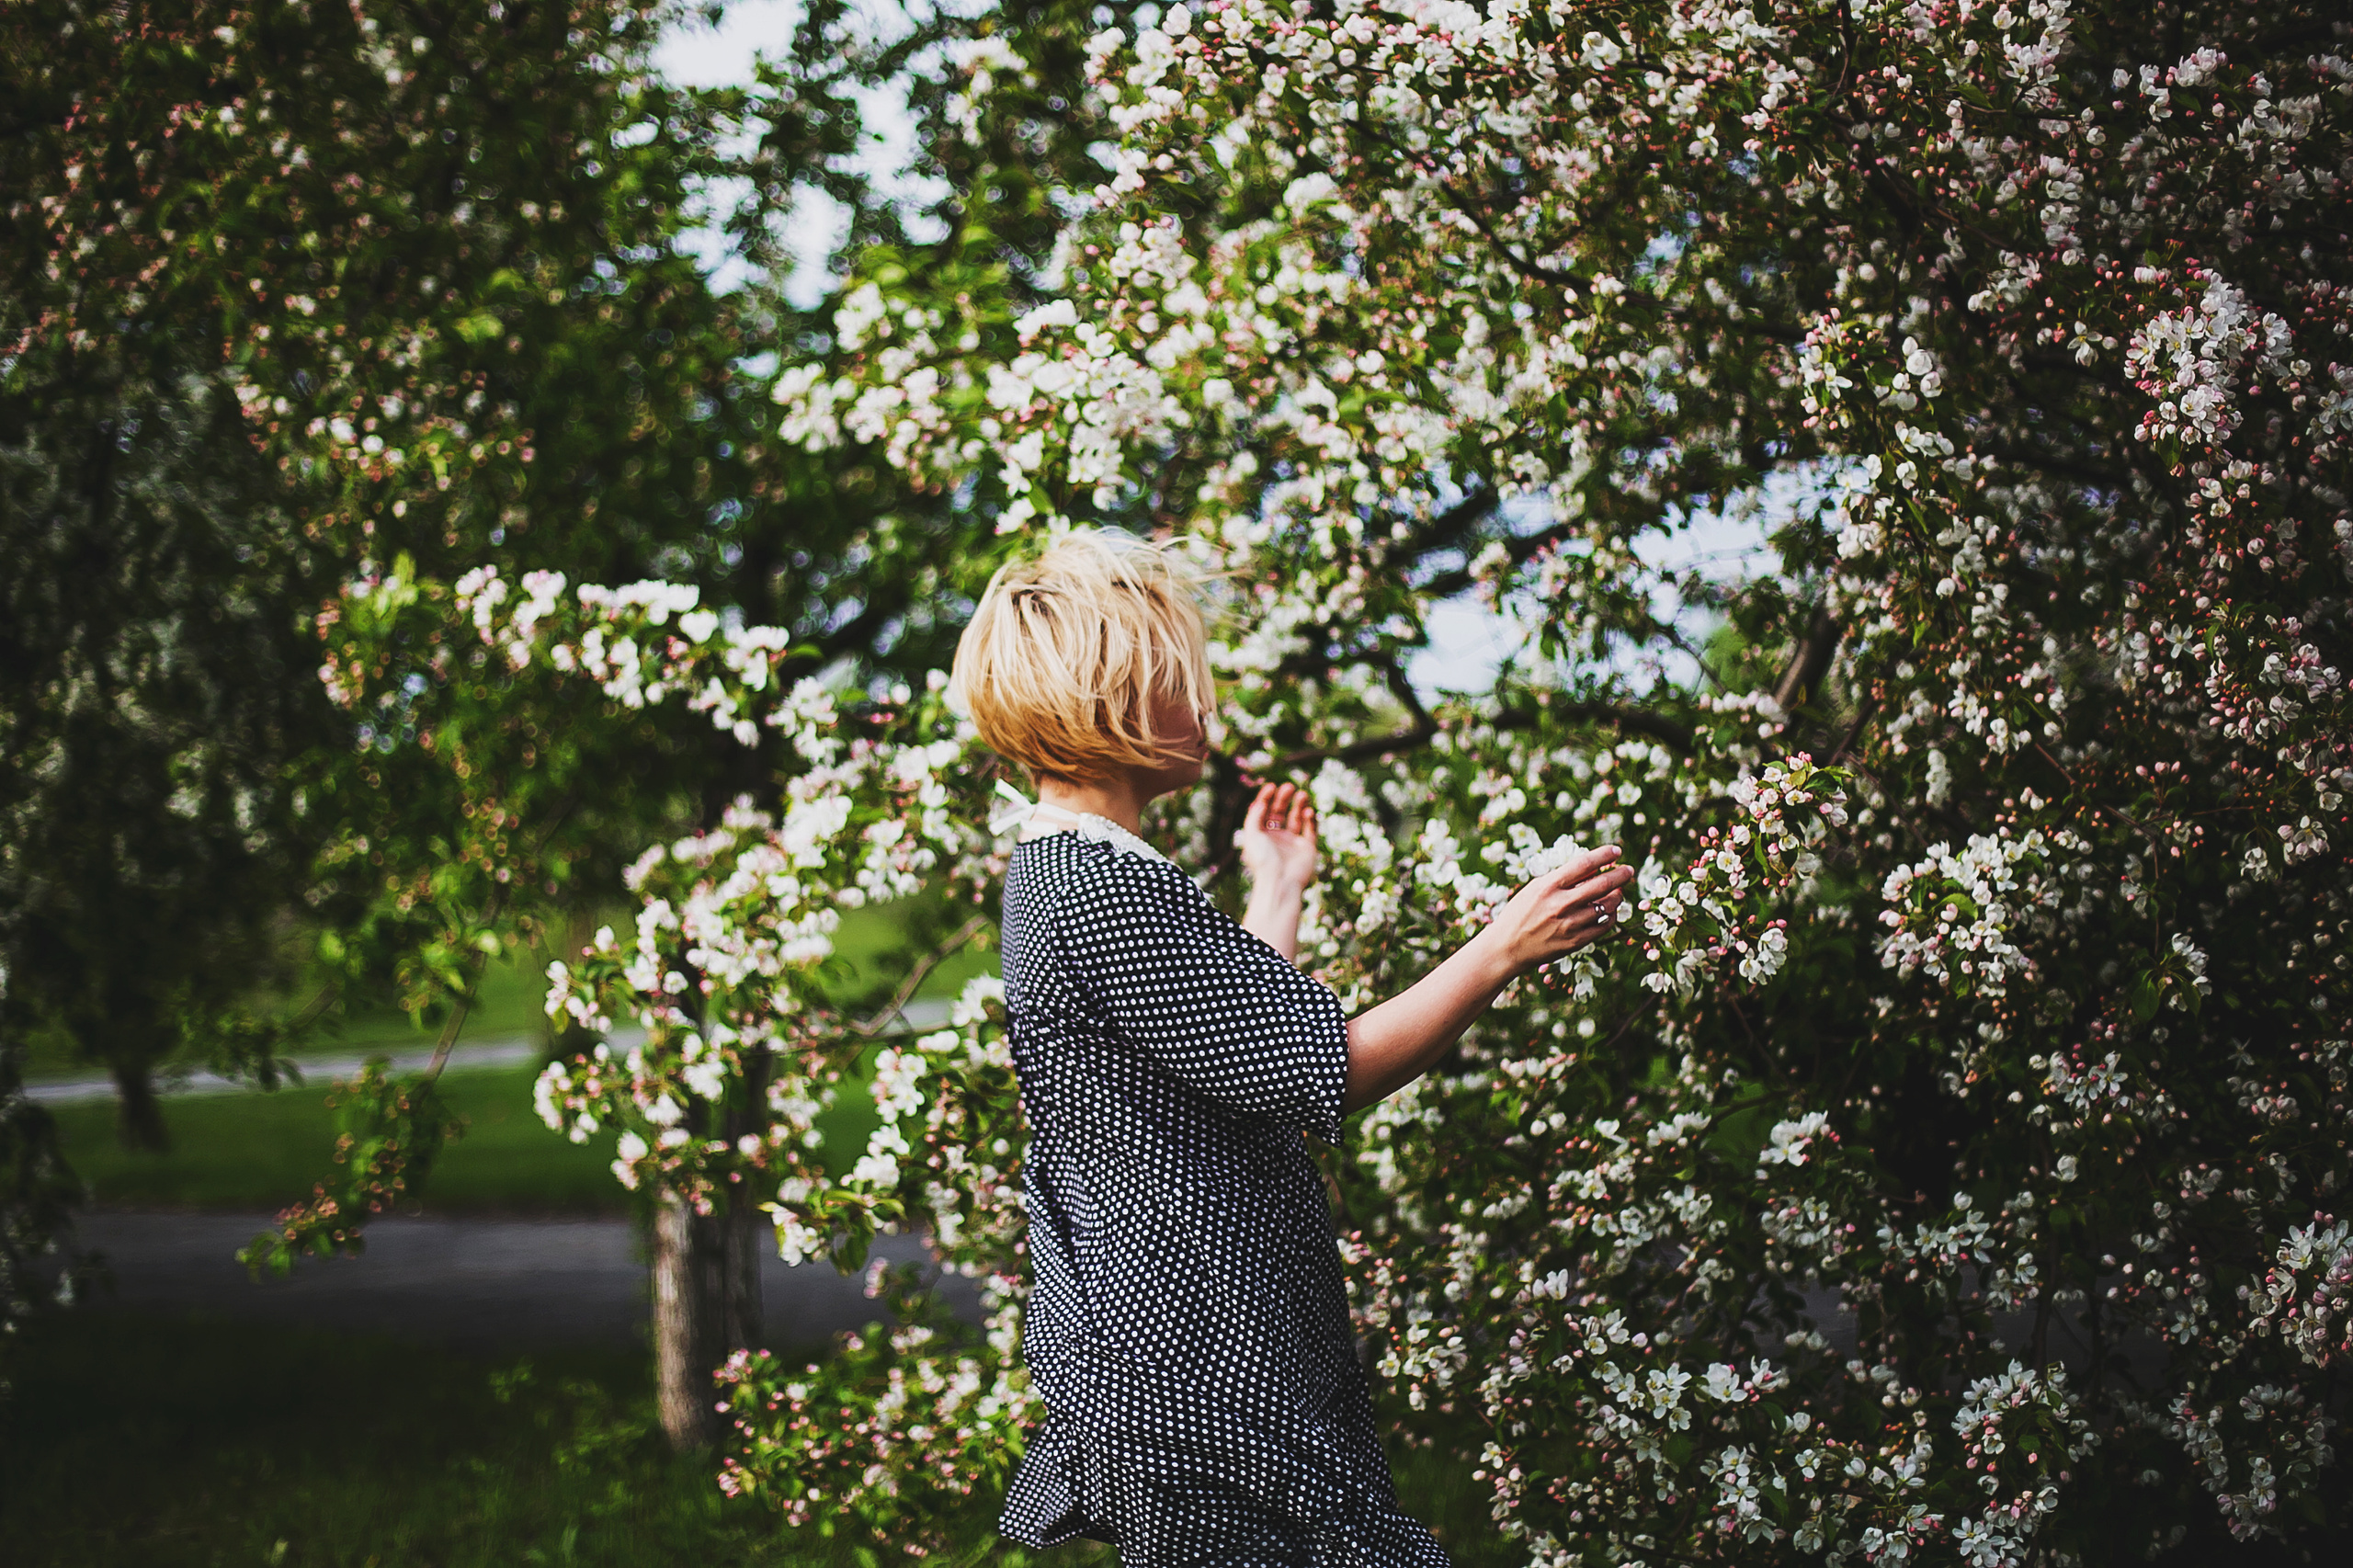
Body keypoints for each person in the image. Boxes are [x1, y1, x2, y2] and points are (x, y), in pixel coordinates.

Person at [952, 531, 1634, 1566]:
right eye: (1182, 682)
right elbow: (1335, 1063)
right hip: (1202, 1367)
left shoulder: (1075, 873)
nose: (1207, 709)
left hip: (1201, 1347)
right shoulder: (1100, 891)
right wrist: (1504, 945)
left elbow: (1241, 1063)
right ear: (1113, 702)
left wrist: (1275, 889)